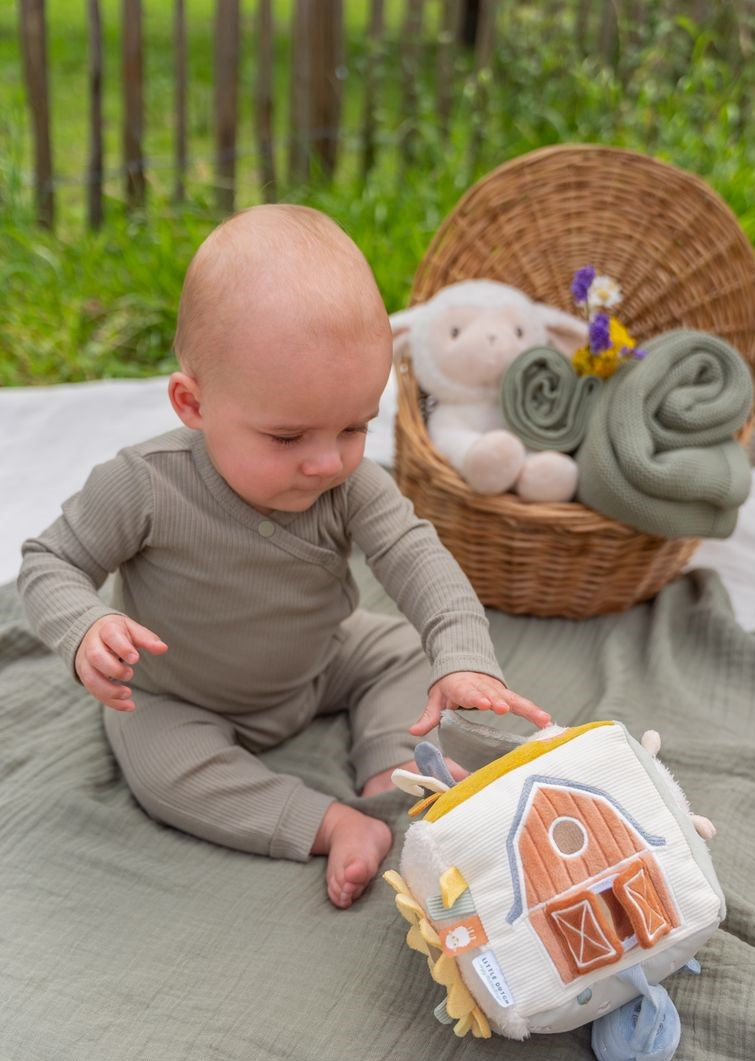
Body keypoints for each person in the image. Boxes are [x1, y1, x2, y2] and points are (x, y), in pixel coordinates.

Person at [18, 205, 551, 909]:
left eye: (354, 427)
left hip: (319, 662)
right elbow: (49, 562)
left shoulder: (351, 485)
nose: (327, 462)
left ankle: (391, 766)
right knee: (162, 767)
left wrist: (462, 658)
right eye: (287, 437)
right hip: (179, 693)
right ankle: (328, 823)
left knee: (401, 653)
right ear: (193, 404)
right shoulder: (144, 485)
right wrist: (86, 627)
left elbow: (418, 559)